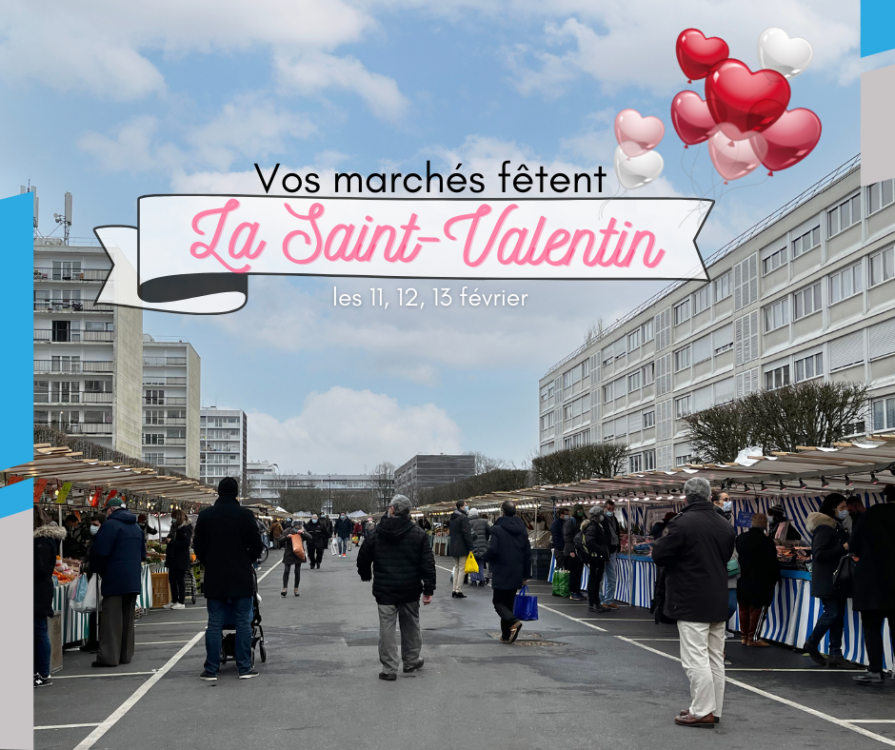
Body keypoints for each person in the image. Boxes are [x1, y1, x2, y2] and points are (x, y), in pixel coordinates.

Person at [652, 477, 735, 728]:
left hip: (690, 598)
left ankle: (702, 710)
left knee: (695, 658)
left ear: (686, 497)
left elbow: (660, 554)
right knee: (714, 658)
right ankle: (713, 708)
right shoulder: (724, 524)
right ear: (710, 496)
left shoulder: (681, 523)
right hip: (718, 596)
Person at [193, 477, 265, 681]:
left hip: (215, 576)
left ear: (218, 492)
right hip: (241, 575)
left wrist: (210, 562)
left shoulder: (206, 516)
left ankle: (211, 669)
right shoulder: (245, 515)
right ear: (236, 494)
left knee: (214, 623)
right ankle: (244, 667)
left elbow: (198, 546)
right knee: (243, 622)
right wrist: (246, 561)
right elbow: (257, 545)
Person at [357, 495, 435, 681]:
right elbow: (427, 562)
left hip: (385, 589)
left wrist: (366, 575)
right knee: (411, 626)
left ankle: (389, 667)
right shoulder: (418, 533)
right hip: (410, 588)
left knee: (387, 628)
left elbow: (363, 557)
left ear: (391, 509)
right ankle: (411, 661)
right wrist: (428, 589)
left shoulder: (377, 532)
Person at [90, 498, 146, 668]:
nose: (106, 512)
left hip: (114, 578)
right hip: (133, 578)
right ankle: (125, 655)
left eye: (107, 510)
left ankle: (109, 657)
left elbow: (100, 551)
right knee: (128, 619)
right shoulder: (136, 527)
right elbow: (143, 554)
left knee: (111, 619)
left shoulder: (110, 526)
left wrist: (95, 569)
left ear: (111, 510)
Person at [850, 484, 895, 686]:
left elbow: (853, 545)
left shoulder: (871, 515)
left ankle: (875, 671)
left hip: (871, 580)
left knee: (872, 627)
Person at [804, 493, 852, 668]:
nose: (845, 510)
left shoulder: (836, 527)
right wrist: (844, 547)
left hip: (836, 579)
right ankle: (812, 643)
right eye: (842, 507)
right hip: (829, 579)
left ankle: (835, 654)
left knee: (838, 616)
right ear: (833, 508)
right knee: (832, 613)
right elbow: (820, 554)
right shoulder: (825, 527)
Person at [484, 501, 531, 643]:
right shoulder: (522, 529)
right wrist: (526, 575)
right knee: (508, 603)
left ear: (502, 512)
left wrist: (485, 557)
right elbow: (527, 553)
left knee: (498, 602)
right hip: (517, 569)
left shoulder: (497, 529)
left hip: (501, 569)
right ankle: (506, 635)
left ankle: (513, 621)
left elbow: (493, 550)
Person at [734, 514, 780, 647]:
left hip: (742, 578)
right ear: (765, 524)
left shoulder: (740, 538)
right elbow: (773, 563)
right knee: (757, 609)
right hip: (761, 581)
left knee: (743, 609)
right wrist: (774, 578)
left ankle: (743, 636)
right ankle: (753, 638)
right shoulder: (767, 542)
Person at [34, 507, 67, 687]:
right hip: (39, 589)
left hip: (37, 591)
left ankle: (43, 673)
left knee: (39, 630)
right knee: (37, 631)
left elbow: (41, 569)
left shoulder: (42, 541)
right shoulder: (43, 540)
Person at [711, 490, 737, 639]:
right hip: (717, 570)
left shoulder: (727, 520)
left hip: (731, 570)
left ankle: (721, 627)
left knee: (731, 604)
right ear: (716, 502)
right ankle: (718, 629)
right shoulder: (714, 521)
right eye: (726, 499)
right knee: (720, 603)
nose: (729, 502)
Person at [78, 515, 104, 654]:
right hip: (92, 576)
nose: (92, 527)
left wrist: (88, 567)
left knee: (98, 611)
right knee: (94, 611)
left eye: (95, 524)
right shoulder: (95, 539)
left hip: (97, 577)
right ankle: (92, 640)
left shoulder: (102, 539)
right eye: (91, 524)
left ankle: (96, 641)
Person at [581, 505, 611, 614]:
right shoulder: (593, 526)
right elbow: (590, 542)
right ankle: (594, 604)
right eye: (601, 514)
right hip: (596, 558)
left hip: (596, 557)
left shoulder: (594, 525)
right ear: (597, 515)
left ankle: (595, 603)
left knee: (596, 581)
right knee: (594, 581)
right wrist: (601, 549)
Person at [164, 509, 193, 610]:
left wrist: (172, 542)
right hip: (173, 557)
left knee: (180, 580)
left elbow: (185, 543)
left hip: (180, 558)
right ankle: (174, 600)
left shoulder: (185, 528)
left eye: (173, 517)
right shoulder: (175, 527)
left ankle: (181, 601)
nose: (172, 520)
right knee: (172, 579)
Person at [449, 499, 476, 599]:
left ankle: (454, 589)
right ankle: (458, 590)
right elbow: (466, 534)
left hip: (453, 545)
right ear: (462, 507)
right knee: (461, 569)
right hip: (462, 546)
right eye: (466, 505)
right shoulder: (464, 518)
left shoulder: (452, 517)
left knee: (456, 567)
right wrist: (471, 546)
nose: (467, 506)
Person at [601, 500, 622, 610]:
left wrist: (618, 546)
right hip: (604, 551)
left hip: (613, 550)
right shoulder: (601, 519)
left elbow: (617, 533)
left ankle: (609, 600)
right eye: (609, 509)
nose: (611, 511)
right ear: (604, 508)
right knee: (600, 577)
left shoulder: (614, 519)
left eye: (612, 509)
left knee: (612, 577)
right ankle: (601, 600)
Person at [281, 522, 311, 597]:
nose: (297, 529)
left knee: (297, 571)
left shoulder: (302, 531)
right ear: (293, 527)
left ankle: (296, 589)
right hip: (288, 552)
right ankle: (285, 588)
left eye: (299, 527)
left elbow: (310, 538)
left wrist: (303, 533)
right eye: (296, 528)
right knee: (286, 571)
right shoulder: (287, 531)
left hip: (298, 553)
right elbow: (280, 540)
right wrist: (286, 537)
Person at [563, 505, 586, 601]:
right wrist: (571, 550)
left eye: (581, 510)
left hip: (580, 550)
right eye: (579, 510)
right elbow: (567, 537)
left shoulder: (581, 521)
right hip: (573, 551)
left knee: (578, 572)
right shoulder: (571, 522)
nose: (580, 512)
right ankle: (573, 592)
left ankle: (577, 591)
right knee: (574, 572)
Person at [469, 507, 491, 585]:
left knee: (472, 563)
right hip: (483, 545)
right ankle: (481, 579)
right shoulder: (484, 522)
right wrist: (485, 539)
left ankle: (474, 580)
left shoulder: (468, 523)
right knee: (481, 563)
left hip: (472, 545)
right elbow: (489, 531)